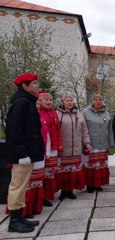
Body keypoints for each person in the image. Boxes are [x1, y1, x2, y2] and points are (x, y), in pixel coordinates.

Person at [5, 73, 44, 233]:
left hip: (28, 152)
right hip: (22, 154)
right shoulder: (22, 103)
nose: (37, 86)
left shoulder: (27, 101)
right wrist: (21, 154)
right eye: (34, 83)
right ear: (25, 86)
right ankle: (14, 221)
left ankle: (20, 216)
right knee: (18, 186)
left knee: (22, 186)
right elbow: (14, 131)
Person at [56, 93, 91, 200]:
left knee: (72, 170)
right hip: (64, 147)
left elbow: (84, 130)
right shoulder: (57, 114)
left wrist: (87, 143)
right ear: (62, 102)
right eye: (67, 100)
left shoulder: (79, 115)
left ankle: (70, 191)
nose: (69, 102)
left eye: (71, 100)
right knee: (63, 171)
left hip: (76, 148)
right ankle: (63, 191)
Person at [82, 93, 113, 193]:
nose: (98, 101)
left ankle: (98, 184)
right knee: (91, 165)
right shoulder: (85, 112)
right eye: (96, 100)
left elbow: (110, 128)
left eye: (100, 99)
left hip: (103, 144)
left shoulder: (106, 113)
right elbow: (83, 128)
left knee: (100, 165)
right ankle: (90, 185)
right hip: (91, 143)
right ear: (92, 101)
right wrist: (85, 142)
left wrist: (111, 142)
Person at [38, 91, 63, 207]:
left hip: (53, 147)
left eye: (50, 100)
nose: (48, 102)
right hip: (43, 148)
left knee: (50, 173)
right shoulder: (38, 113)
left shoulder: (54, 113)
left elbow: (58, 131)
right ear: (40, 101)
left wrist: (59, 145)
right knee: (42, 173)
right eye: (46, 100)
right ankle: (40, 197)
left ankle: (48, 196)